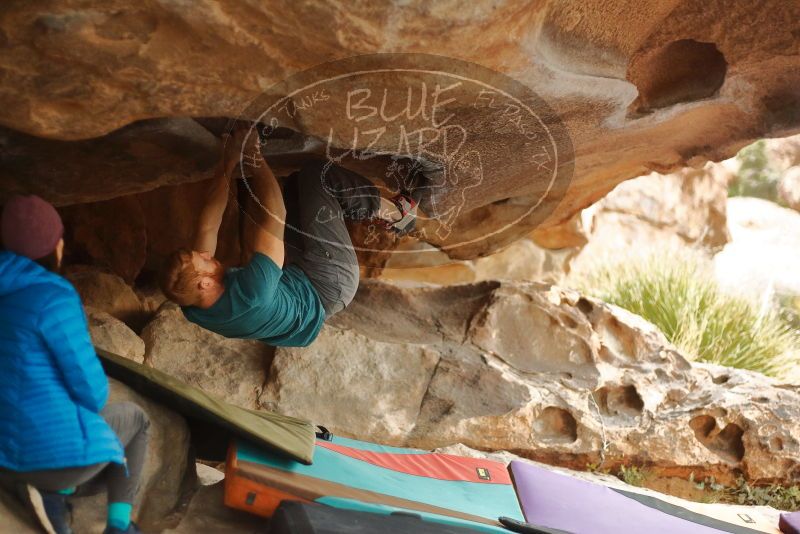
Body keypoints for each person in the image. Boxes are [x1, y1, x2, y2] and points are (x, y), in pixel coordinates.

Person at [159, 128, 419, 346]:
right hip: (329, 286)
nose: (205, 253)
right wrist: (252, 154)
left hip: (296, 278)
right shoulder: (254, 292)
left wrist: (227, 160)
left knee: (296, 187)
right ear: (204, 283)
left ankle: (355, 210)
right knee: (318, 176)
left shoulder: (190, 302)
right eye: (202, 259)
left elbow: (208, 225)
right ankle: (398, 214)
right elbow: (275, 215)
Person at [0, 195, 150, 534]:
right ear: (58, 247)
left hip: (4, 457)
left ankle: (50, 494)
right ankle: (117, 526)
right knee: (135, 420)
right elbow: (93, 392)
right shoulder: (54, 297)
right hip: (48, 459)